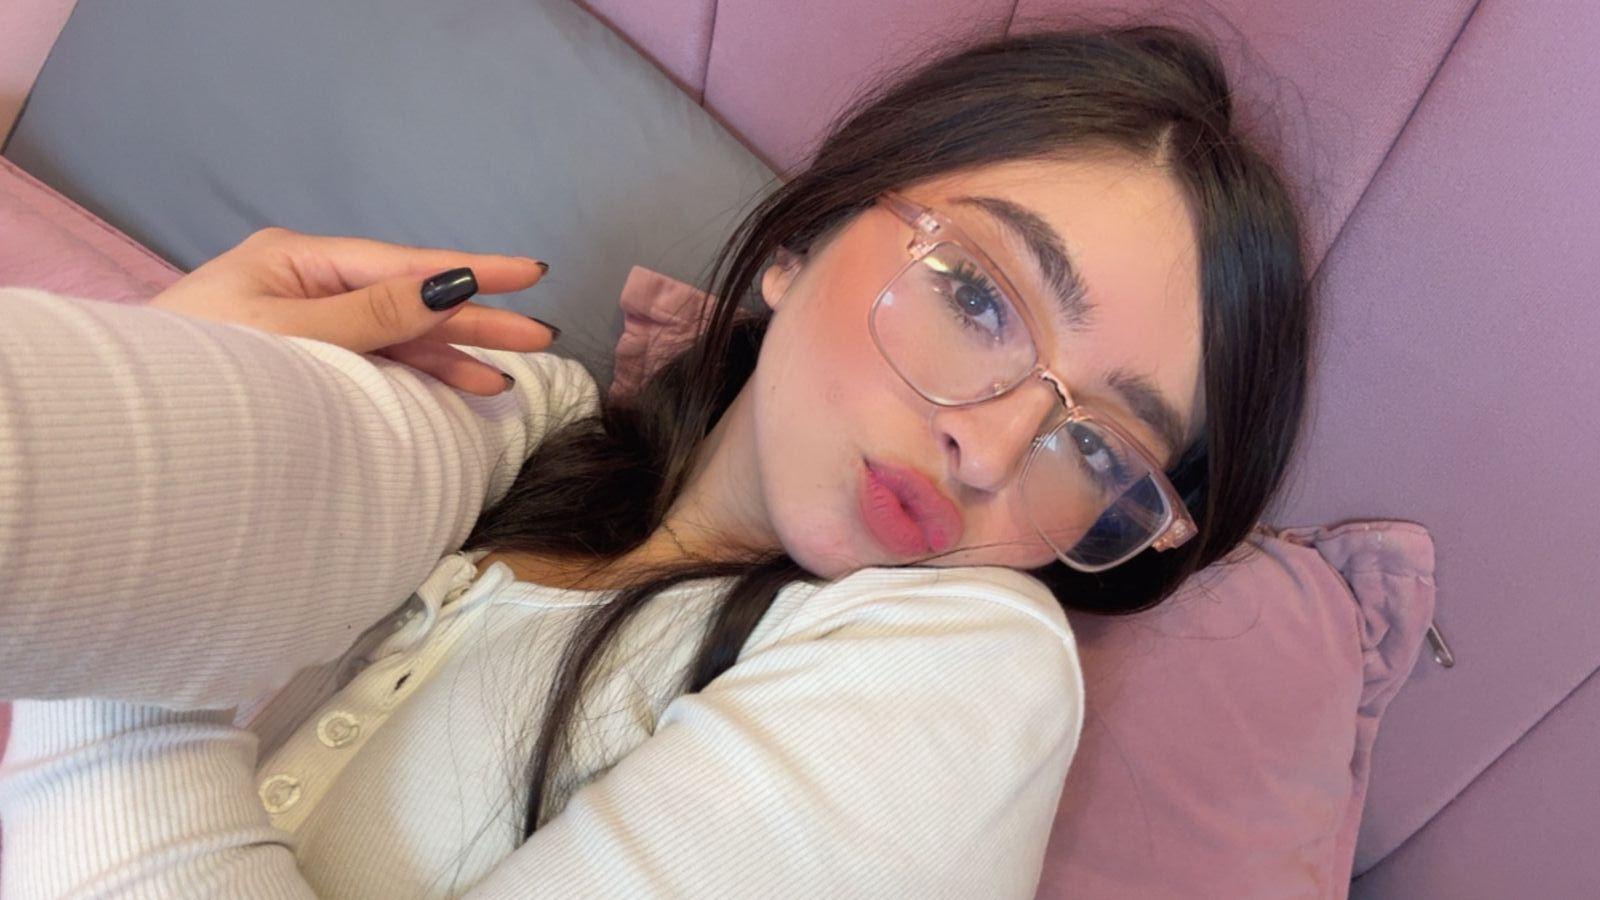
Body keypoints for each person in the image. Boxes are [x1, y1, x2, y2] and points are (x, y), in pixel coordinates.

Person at [0, 24, 1310, 898]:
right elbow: (62, 478)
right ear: (797, 243)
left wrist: (120, 668)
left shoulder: (978, 665)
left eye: (1095, 445)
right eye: (977, 296)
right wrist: (190, 377)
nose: (993, 447)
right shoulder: (514, 416)